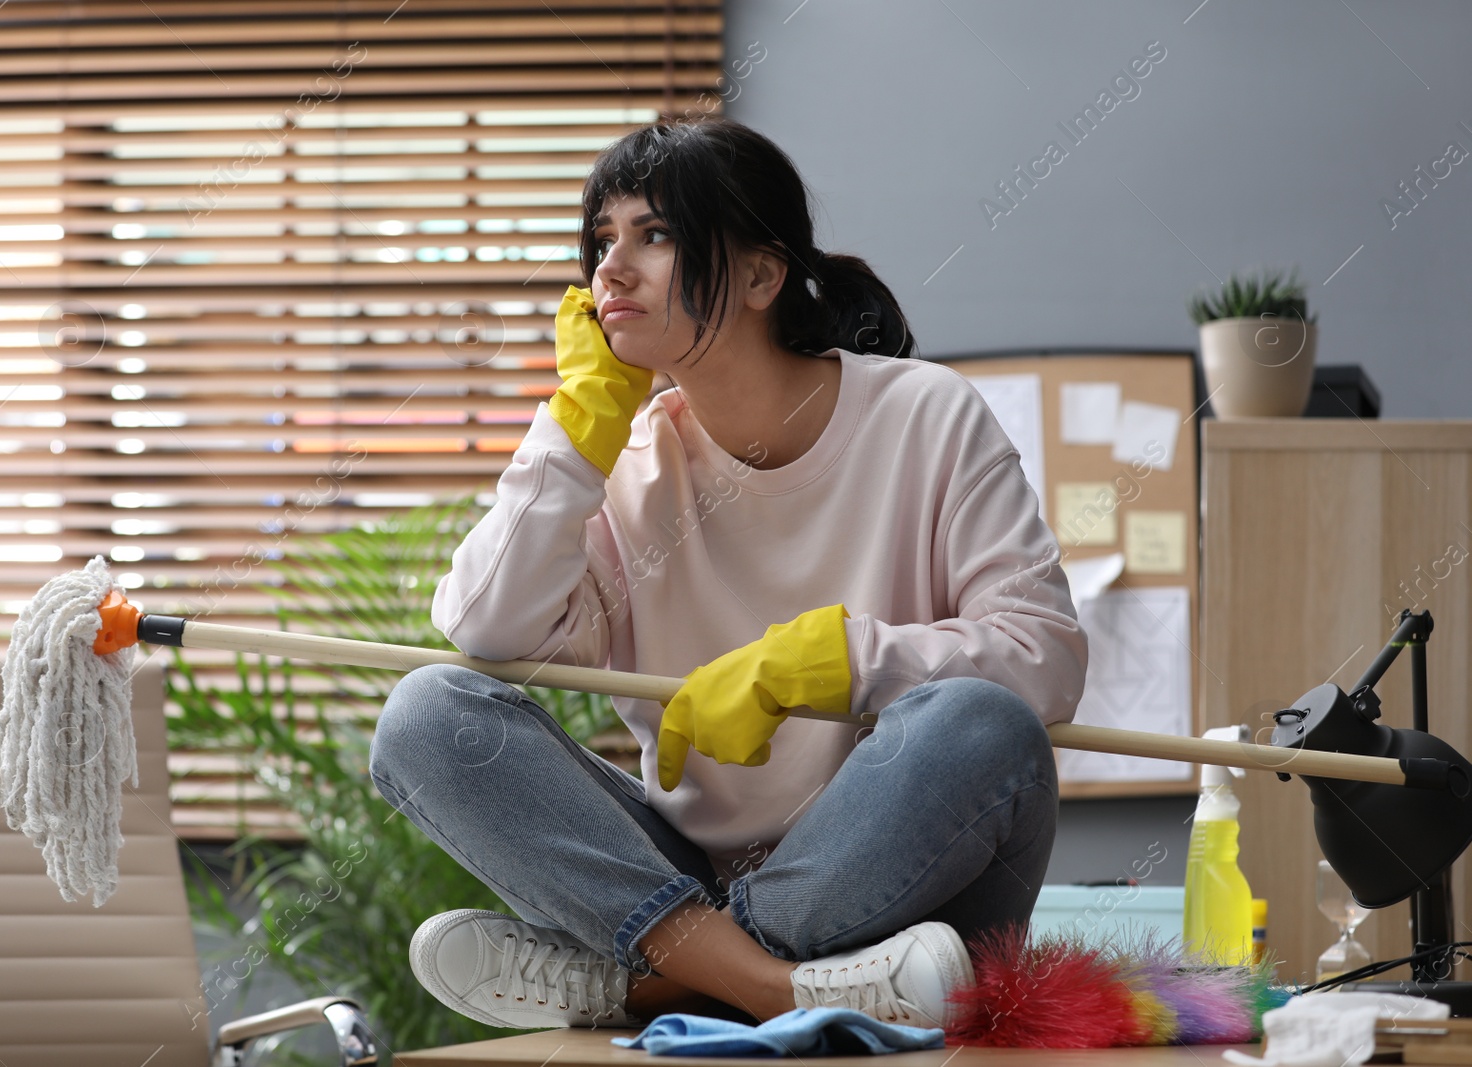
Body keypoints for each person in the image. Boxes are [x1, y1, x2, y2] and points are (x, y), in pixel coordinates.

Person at [368, 115, 1089, 1034]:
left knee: (980, 721)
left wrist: (832, 661)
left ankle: (653, 983)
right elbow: (486, 630)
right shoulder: (623, 461)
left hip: (914, 898)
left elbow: (1047, 661)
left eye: (655, 234)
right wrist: (577, 426)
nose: (611, 271)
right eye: (602, 240)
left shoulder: (927, 414)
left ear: (760, 272)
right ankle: (769, 988)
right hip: (721, 890)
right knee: (427, 715)